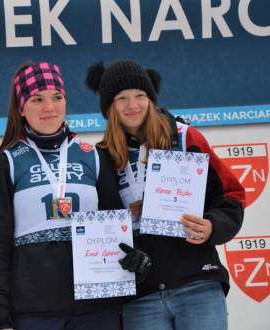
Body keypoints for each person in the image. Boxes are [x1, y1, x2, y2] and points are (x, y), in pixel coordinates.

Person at [0, 61, 151, 330]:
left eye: (56, 97)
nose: (49, 108)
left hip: (96, 308)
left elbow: (117, 229)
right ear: (21, 108)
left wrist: (135, 259)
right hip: (34, 310)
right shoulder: (6, 162)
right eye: (37, 99)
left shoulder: (93, 156)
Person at [86, 60, 245, 330]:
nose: (132, 105)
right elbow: (99, 230)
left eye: (140, 95)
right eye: (121, 98)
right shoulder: (102, 157)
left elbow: (231, 194)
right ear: (109, 108)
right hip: (141, 296)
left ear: (151, 98)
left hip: (196, 284)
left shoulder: (184, 138)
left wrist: (212, 226)